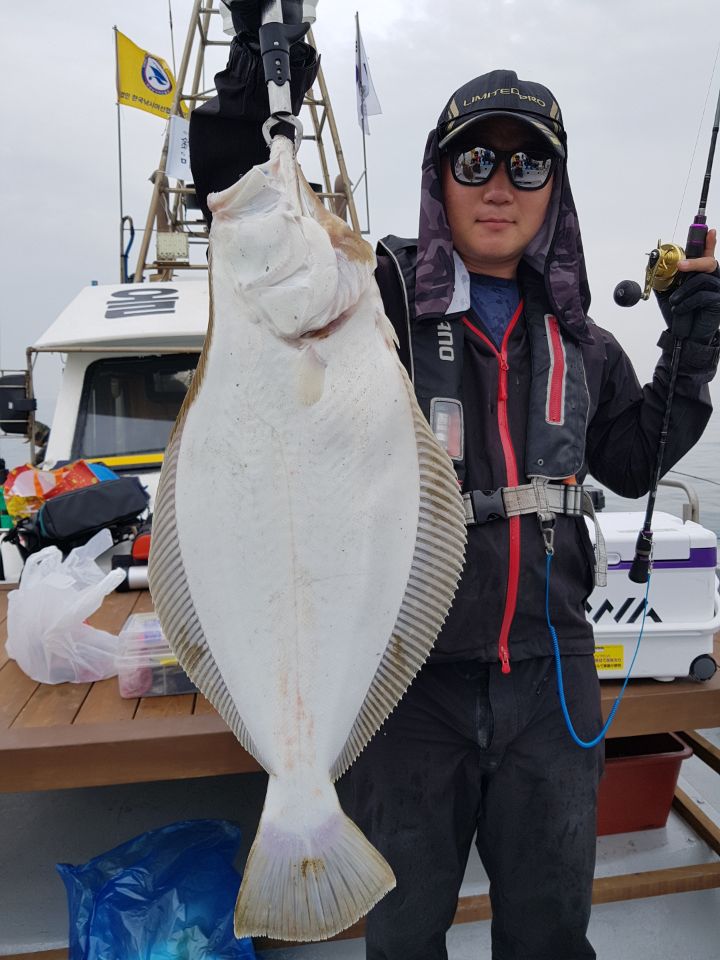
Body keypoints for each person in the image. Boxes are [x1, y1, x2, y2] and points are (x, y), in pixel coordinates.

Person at [190, 14, 720, 959]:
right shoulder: (376, 300)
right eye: (474, 161)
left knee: (550, 934)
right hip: (406, 684)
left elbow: (636, 462)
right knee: (404, 938)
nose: (499, 186)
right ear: (438, 178)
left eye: (528, 164)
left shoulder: (586, 343)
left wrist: (694, 343)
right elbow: (242, 206)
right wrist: (259, 68)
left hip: (552, 679)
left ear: (557, 188)